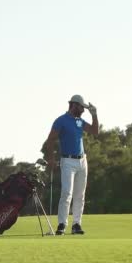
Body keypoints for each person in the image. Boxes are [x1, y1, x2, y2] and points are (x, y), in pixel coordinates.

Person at [41, 94, 99, 235]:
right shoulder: (61, 121)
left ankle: (76, 225)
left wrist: (95, 115)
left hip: (82, 161)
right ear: (74, 105)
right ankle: (62, 224)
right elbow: (50, 140)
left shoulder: (80, 121)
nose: (83, 110)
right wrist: (51, 159)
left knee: (80, 195)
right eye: (82, 107)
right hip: (67, 161)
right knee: (67, 193)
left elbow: (95, 132)